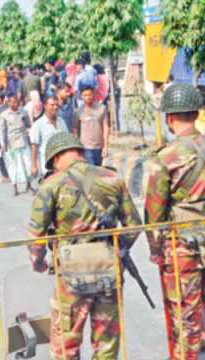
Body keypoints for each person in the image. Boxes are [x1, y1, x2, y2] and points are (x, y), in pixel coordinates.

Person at [28, 132, 141, 360]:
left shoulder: (51, 185)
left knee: (66, 341)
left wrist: (39, 263)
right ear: (79, 152)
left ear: (56, 159)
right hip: (108, 268)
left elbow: (36, 236)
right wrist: (114, 248)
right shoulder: (112, 178)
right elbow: (134, 226)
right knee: (106, 341)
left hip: (71, 274)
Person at [144, 84, 205, 359]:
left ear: (169, 118)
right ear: (196, 113)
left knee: (187, 316)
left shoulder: (165, 158)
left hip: (183, 246)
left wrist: (155, 250)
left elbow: (154, 213)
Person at [0, 95, 33, 196]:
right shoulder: (4, 115)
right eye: (12, 102)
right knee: (13, 166)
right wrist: (2, 144)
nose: (15, 104)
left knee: (28, 164)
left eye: (16, 102)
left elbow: (29, 125)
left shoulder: (23, 112)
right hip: (11, 144)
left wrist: (28, 132)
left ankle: (28, 185)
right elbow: (2, 131)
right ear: (8, 103)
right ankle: (15, 187)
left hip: (23, 141)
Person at [30, 96, 69, 177]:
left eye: (57, 105)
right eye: (52, 105)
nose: (55, 107)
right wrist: (34, 165)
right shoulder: (38, 124)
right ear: (45, 106)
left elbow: (67, 140)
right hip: (47, 163)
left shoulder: (61, 122)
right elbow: (34, 146)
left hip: (62, 161)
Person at [73, 86, 110, 166]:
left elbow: (106, 127)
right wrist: (77, 147)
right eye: (85, 95)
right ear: (81, 96)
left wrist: (106, 146)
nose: (88, 97)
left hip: (99, 146)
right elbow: (75, 129)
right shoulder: (78, 111)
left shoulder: (102, 109)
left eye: (89, 94)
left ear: (93, 94)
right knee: (92, 171)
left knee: (98, 170)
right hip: (86, 148)